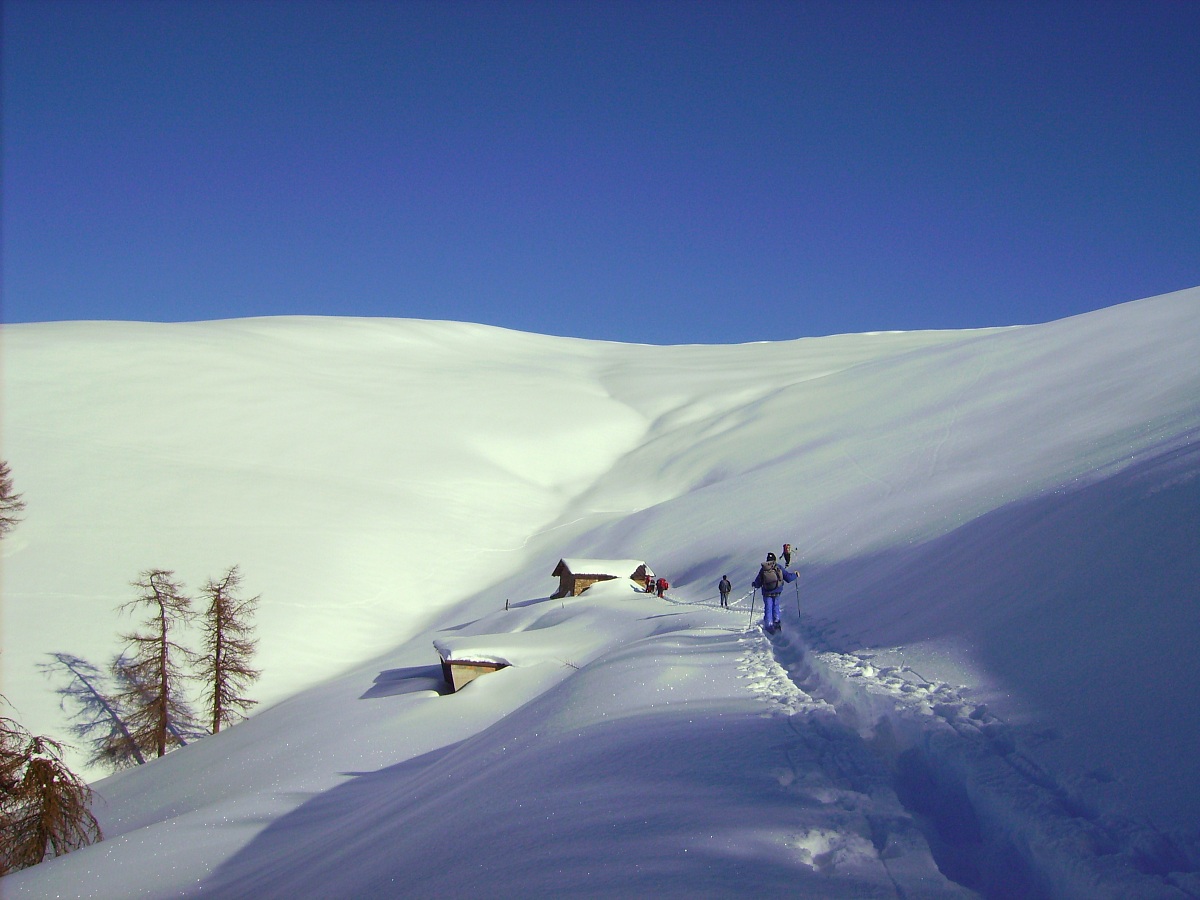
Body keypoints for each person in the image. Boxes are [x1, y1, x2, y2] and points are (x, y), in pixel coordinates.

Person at [752, 552, 797, 634]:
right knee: (776, 606)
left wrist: (754, 584)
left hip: (766, 592)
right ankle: (777, 623)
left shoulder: (763, 569)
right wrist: (795, 575)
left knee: (768, 608)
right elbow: (788, 578)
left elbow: (758, 583)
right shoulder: (778, 567)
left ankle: (769, 625)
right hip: (777, 591)